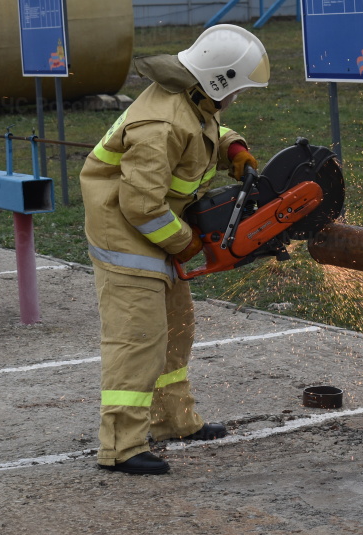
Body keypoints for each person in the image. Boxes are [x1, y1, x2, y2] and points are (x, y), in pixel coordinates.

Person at [79, 25, 270, 475]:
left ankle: (173, 421)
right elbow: (140, 204)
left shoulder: (192, 97)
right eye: (236, 88)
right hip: (127, 236)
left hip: (156, 231)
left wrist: (233, 147)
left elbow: (205, 130)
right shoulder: (160, 124)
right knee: (138, 340)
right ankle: (120, 446)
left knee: (176, 329)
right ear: (218, 81)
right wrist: (185, 244)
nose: (236, 98)